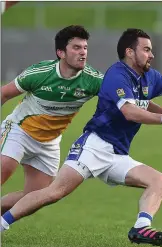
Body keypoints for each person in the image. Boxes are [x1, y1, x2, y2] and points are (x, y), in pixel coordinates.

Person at [1, 28, 162, 246]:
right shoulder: (116, 75)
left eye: (151, 50)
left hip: (114, 152)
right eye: (146, 50)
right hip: (90, 145)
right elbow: (129, 111)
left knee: (159, 181)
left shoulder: (147, 77)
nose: (151, 55)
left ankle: (141, 228)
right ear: (130, 52)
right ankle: (2, 224)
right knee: (53, 193)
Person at [1, 25, 104, 214]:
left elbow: (125, 99)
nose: (83, 53)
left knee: (34, 198)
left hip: (49, 143)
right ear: (61, 53)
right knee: (3, 169)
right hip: (19, 130)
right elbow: (4, 94)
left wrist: (160, 111)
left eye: (85, 48)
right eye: (76, 47)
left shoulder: (93, 80)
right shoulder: (40, 73)